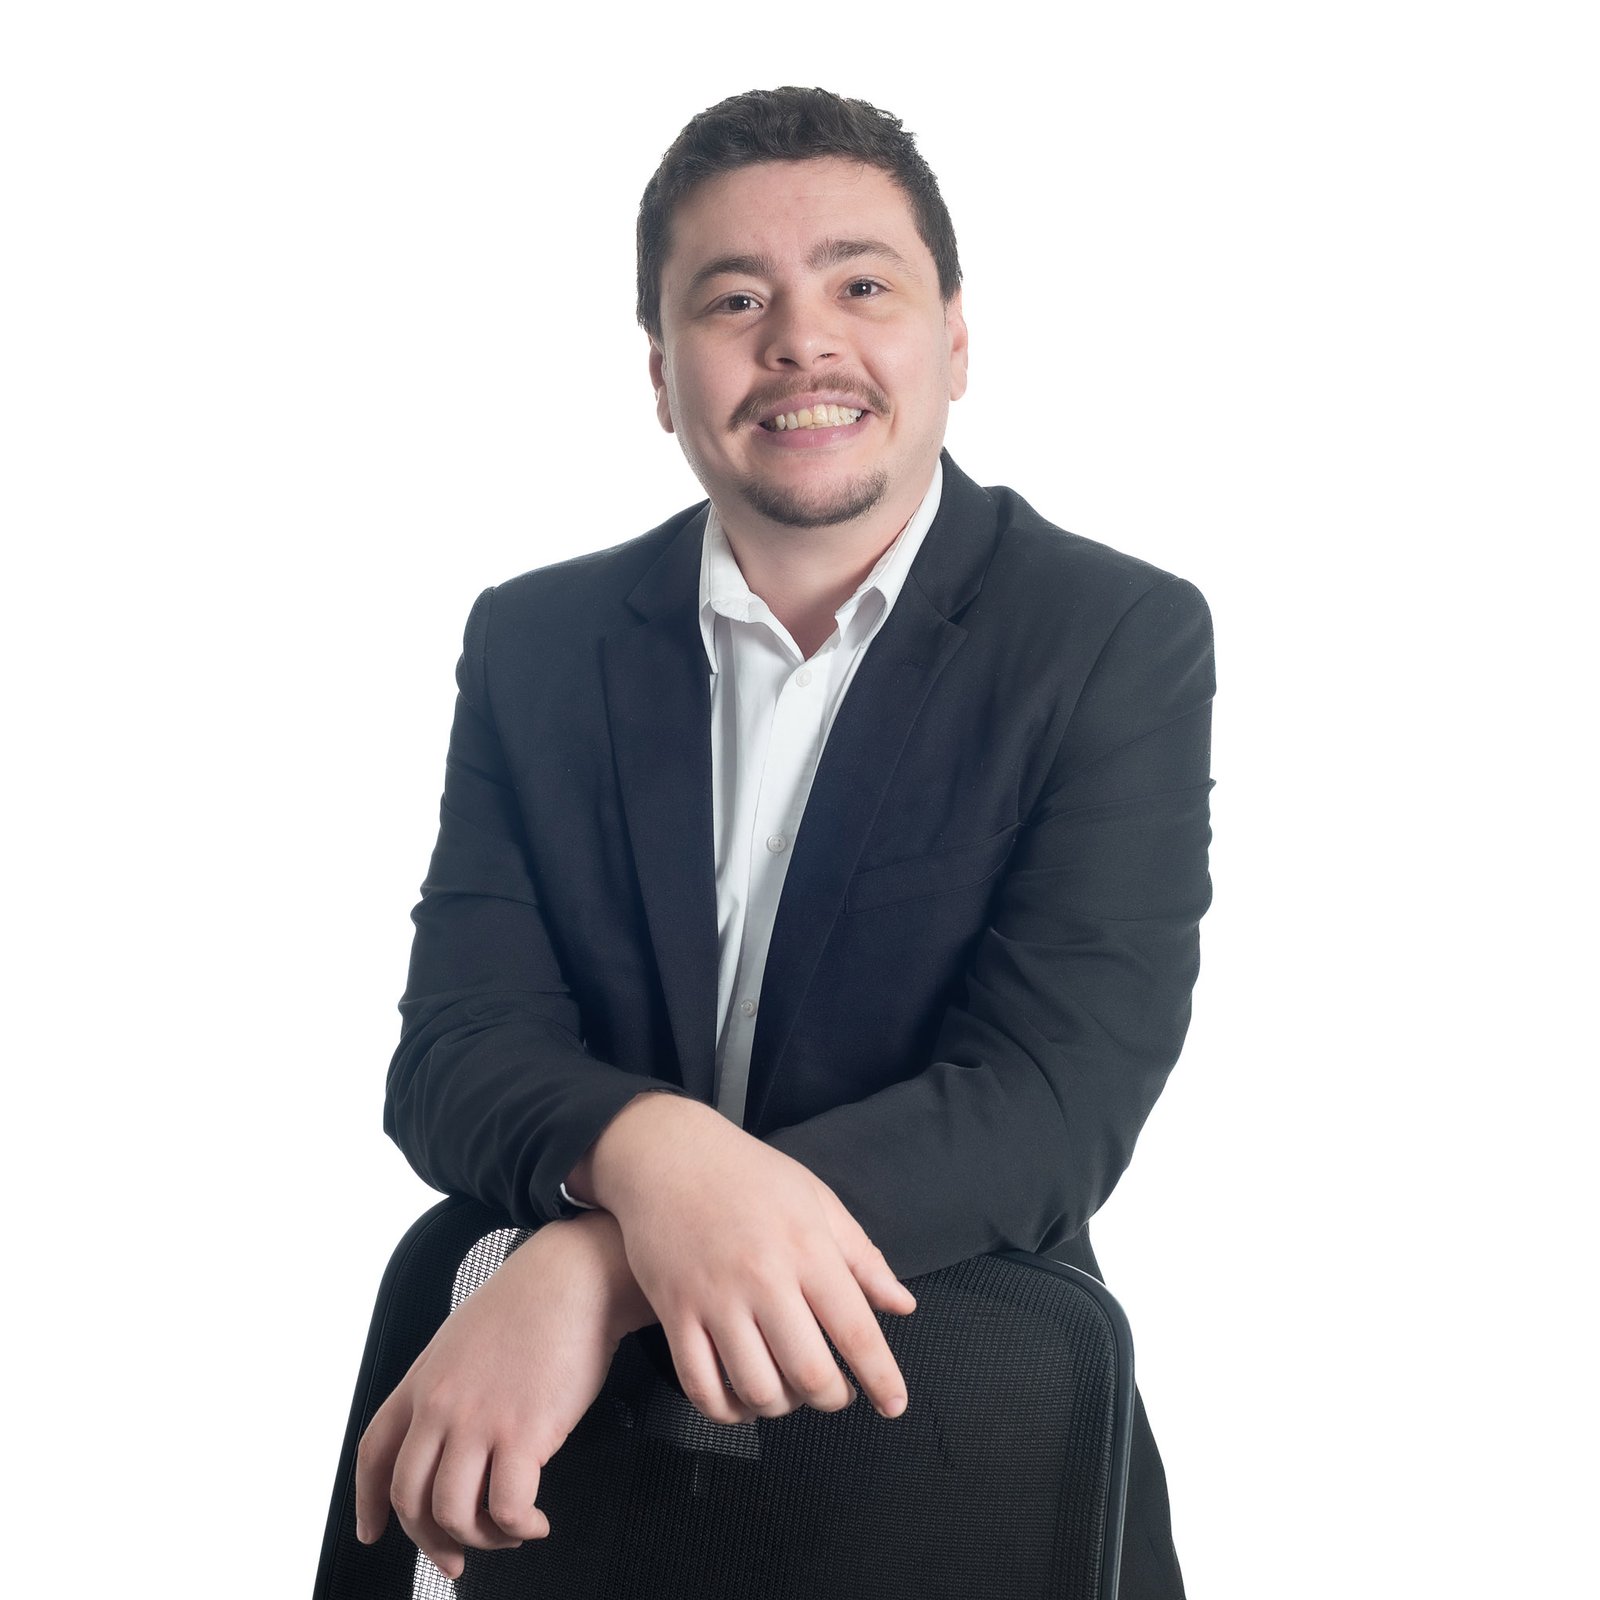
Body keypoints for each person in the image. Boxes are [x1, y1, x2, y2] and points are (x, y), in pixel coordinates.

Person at [354, 86, 1213, 1599]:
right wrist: (652, 1152)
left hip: (945, 1441)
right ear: (660, 373)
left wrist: (600, 1262)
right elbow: (456, 1052)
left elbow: (1052, 1097)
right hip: (563, 1461)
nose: (803, 342)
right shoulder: (536, 644)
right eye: (734, 299)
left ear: (955, 339)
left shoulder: (1111, 635)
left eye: (861, 286)